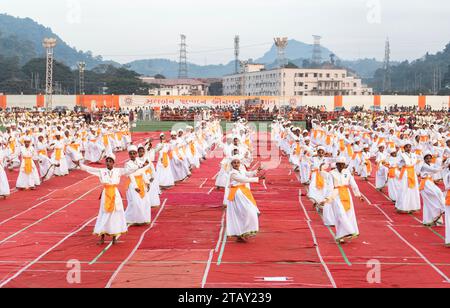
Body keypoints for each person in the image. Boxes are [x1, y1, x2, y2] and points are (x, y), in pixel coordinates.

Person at [76, 154, 147, 245]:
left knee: (116, 213)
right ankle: (102, 237)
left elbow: (128, 170)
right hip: (106, 194)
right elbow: (90, 169)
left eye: (110, 161)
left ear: (113, 163)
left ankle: (114, 238)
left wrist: (140, 166)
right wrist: (80, 165)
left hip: (115, 194)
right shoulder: (101, 171)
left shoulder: (118, 171)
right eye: (107, 161)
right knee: (104, 213)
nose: (108, 163)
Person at [324, 156, 365, 243]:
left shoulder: (347, 172)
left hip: (346, 194)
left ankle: (341, 235)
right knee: (340, 214)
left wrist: (358, 195)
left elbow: (353, 184)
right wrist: (328, 197)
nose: (342, 166)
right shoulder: (331, 173)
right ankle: (350, 231)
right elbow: (329, 186)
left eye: (343, 164)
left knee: (348, 214)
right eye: (340, 164)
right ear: (337, 164)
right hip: (336, 194)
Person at [226, 156, 263, 242]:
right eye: (234, 163)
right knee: (243, 213)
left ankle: (244, 232)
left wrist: (257, 170)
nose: (236, 164)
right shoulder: (233, 173)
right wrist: (257, 179)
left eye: (238, 162)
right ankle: (240, 233)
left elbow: (248, 174)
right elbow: (243, 179)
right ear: (231, 164)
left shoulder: (241, 170)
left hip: (244, 193)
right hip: (237, 195)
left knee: (249, 212)